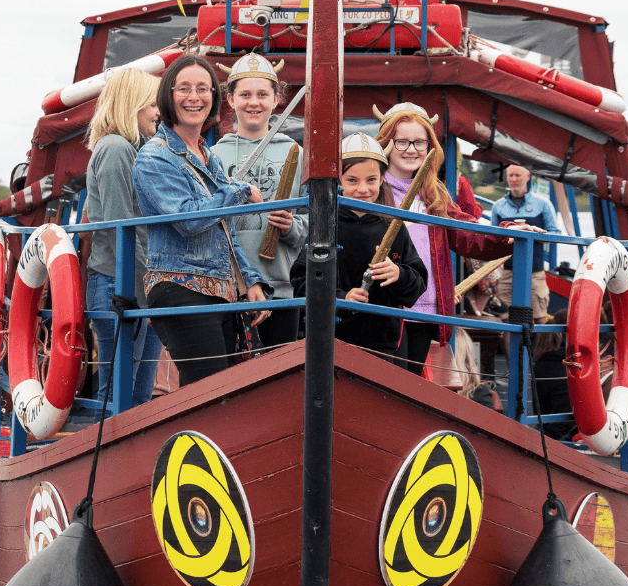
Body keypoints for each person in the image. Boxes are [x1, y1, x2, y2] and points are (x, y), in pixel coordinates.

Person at [132, 54, 272, 386]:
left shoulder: (208, 155)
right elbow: (189, 219)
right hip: (178, 286)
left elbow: (224, 230)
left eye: (202, 89)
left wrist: (249, 282)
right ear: (168, 95)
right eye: (184, 88)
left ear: (213, 97)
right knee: (207, 392)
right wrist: (240, 191)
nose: (194, 97)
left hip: (220, 290)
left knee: (222, 393)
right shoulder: (154, 156)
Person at [374, 102, 519, 373]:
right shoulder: (372, 189)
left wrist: (507, 234)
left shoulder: (434, 193)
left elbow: (467, 233)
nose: (412, 149)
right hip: (387, 304)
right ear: (386, 143)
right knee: (386, 383)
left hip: (426, 307)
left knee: (411, 382)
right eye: (402, 141)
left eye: (420, 142)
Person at [291, 134, 426, 367]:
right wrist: (342, 298)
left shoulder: (394, 226)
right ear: (339, 181)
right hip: (332, 340)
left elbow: (416, 287)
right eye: (352, 180)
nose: (362, 189)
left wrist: (399, 274)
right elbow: (301, 282)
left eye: (371, 179)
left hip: (385, 343)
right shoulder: (324, 226)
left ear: (383, 178)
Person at [82, 67, 164, 407]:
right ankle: (108, 460)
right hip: (120, 283)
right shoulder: (116, 150)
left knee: (137, 396)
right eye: (152, 104)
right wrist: (145, 288)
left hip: (134, 280)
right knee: (119, 394)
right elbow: (121, 226)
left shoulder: (135, 149)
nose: (159, 112)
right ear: (133, 104)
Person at [211, 54, 306, 350]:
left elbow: (314, 217)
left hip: (280, 288)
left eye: (263, 94)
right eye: (245, 94)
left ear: (277, 99)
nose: (254, 102)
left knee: (276, 383)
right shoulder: (212, 156)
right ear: (230, 99)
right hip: (225, 287)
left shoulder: (298, 154)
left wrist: (293, 226)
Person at [491, 164, 559, 317]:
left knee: (540, 317)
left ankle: (541, 342)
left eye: (518, 175)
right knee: (506, 319)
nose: (514, 179)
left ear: (527, 177)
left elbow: (555, 233)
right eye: (511, 175)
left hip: (534, 270)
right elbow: (493, 237)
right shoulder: (498, 206)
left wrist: (532, 234)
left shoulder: (543, 204)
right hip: (507, 271)